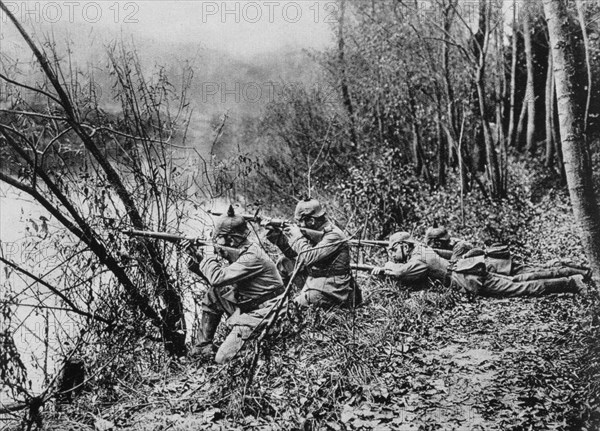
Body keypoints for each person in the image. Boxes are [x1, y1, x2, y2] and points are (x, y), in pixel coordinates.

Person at [186, 206, 285, 364]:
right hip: (254, 304)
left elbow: (218, 277)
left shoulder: (251, 257)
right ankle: (202, 347)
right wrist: (197, 257)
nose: (216, 241)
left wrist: (209, 255)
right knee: (215, 293)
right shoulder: (242, 249)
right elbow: (219, 282)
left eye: (218, 238)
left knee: (222, 358)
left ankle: (259, 349)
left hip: (268, 311)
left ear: (230, 238)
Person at [372, 232, 587, 297]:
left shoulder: (417, 259)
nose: (392, 254)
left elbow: (402, 273)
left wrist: (384, 270)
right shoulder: (420, 248)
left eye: (393, 249)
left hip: (467, 277)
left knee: (520, 287)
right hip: (470, 269)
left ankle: (570, 283)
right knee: (520, 279)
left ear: (404, 246)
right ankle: (572, 278)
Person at [267, 198, 361, 308]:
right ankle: (279, 300)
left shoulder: (334, 235)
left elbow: (308, 257)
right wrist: (277, 236)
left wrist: (298, 237)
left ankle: (286, 306)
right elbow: (293, 254)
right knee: (284, 263)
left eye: (299, 222)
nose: (299, 225)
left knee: (292, 307)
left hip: (334, 288)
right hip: (315, 277)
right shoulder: (314, 231)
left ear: (311, 221)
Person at [425, 226, 591, 279]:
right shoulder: (455, 244)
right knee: (540, 269)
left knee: (538, 273)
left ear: (437, 242)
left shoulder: (458, 246)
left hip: (499, 266)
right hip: (499, 264)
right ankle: (577, 270)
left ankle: (581, 272)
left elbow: (453, 265)